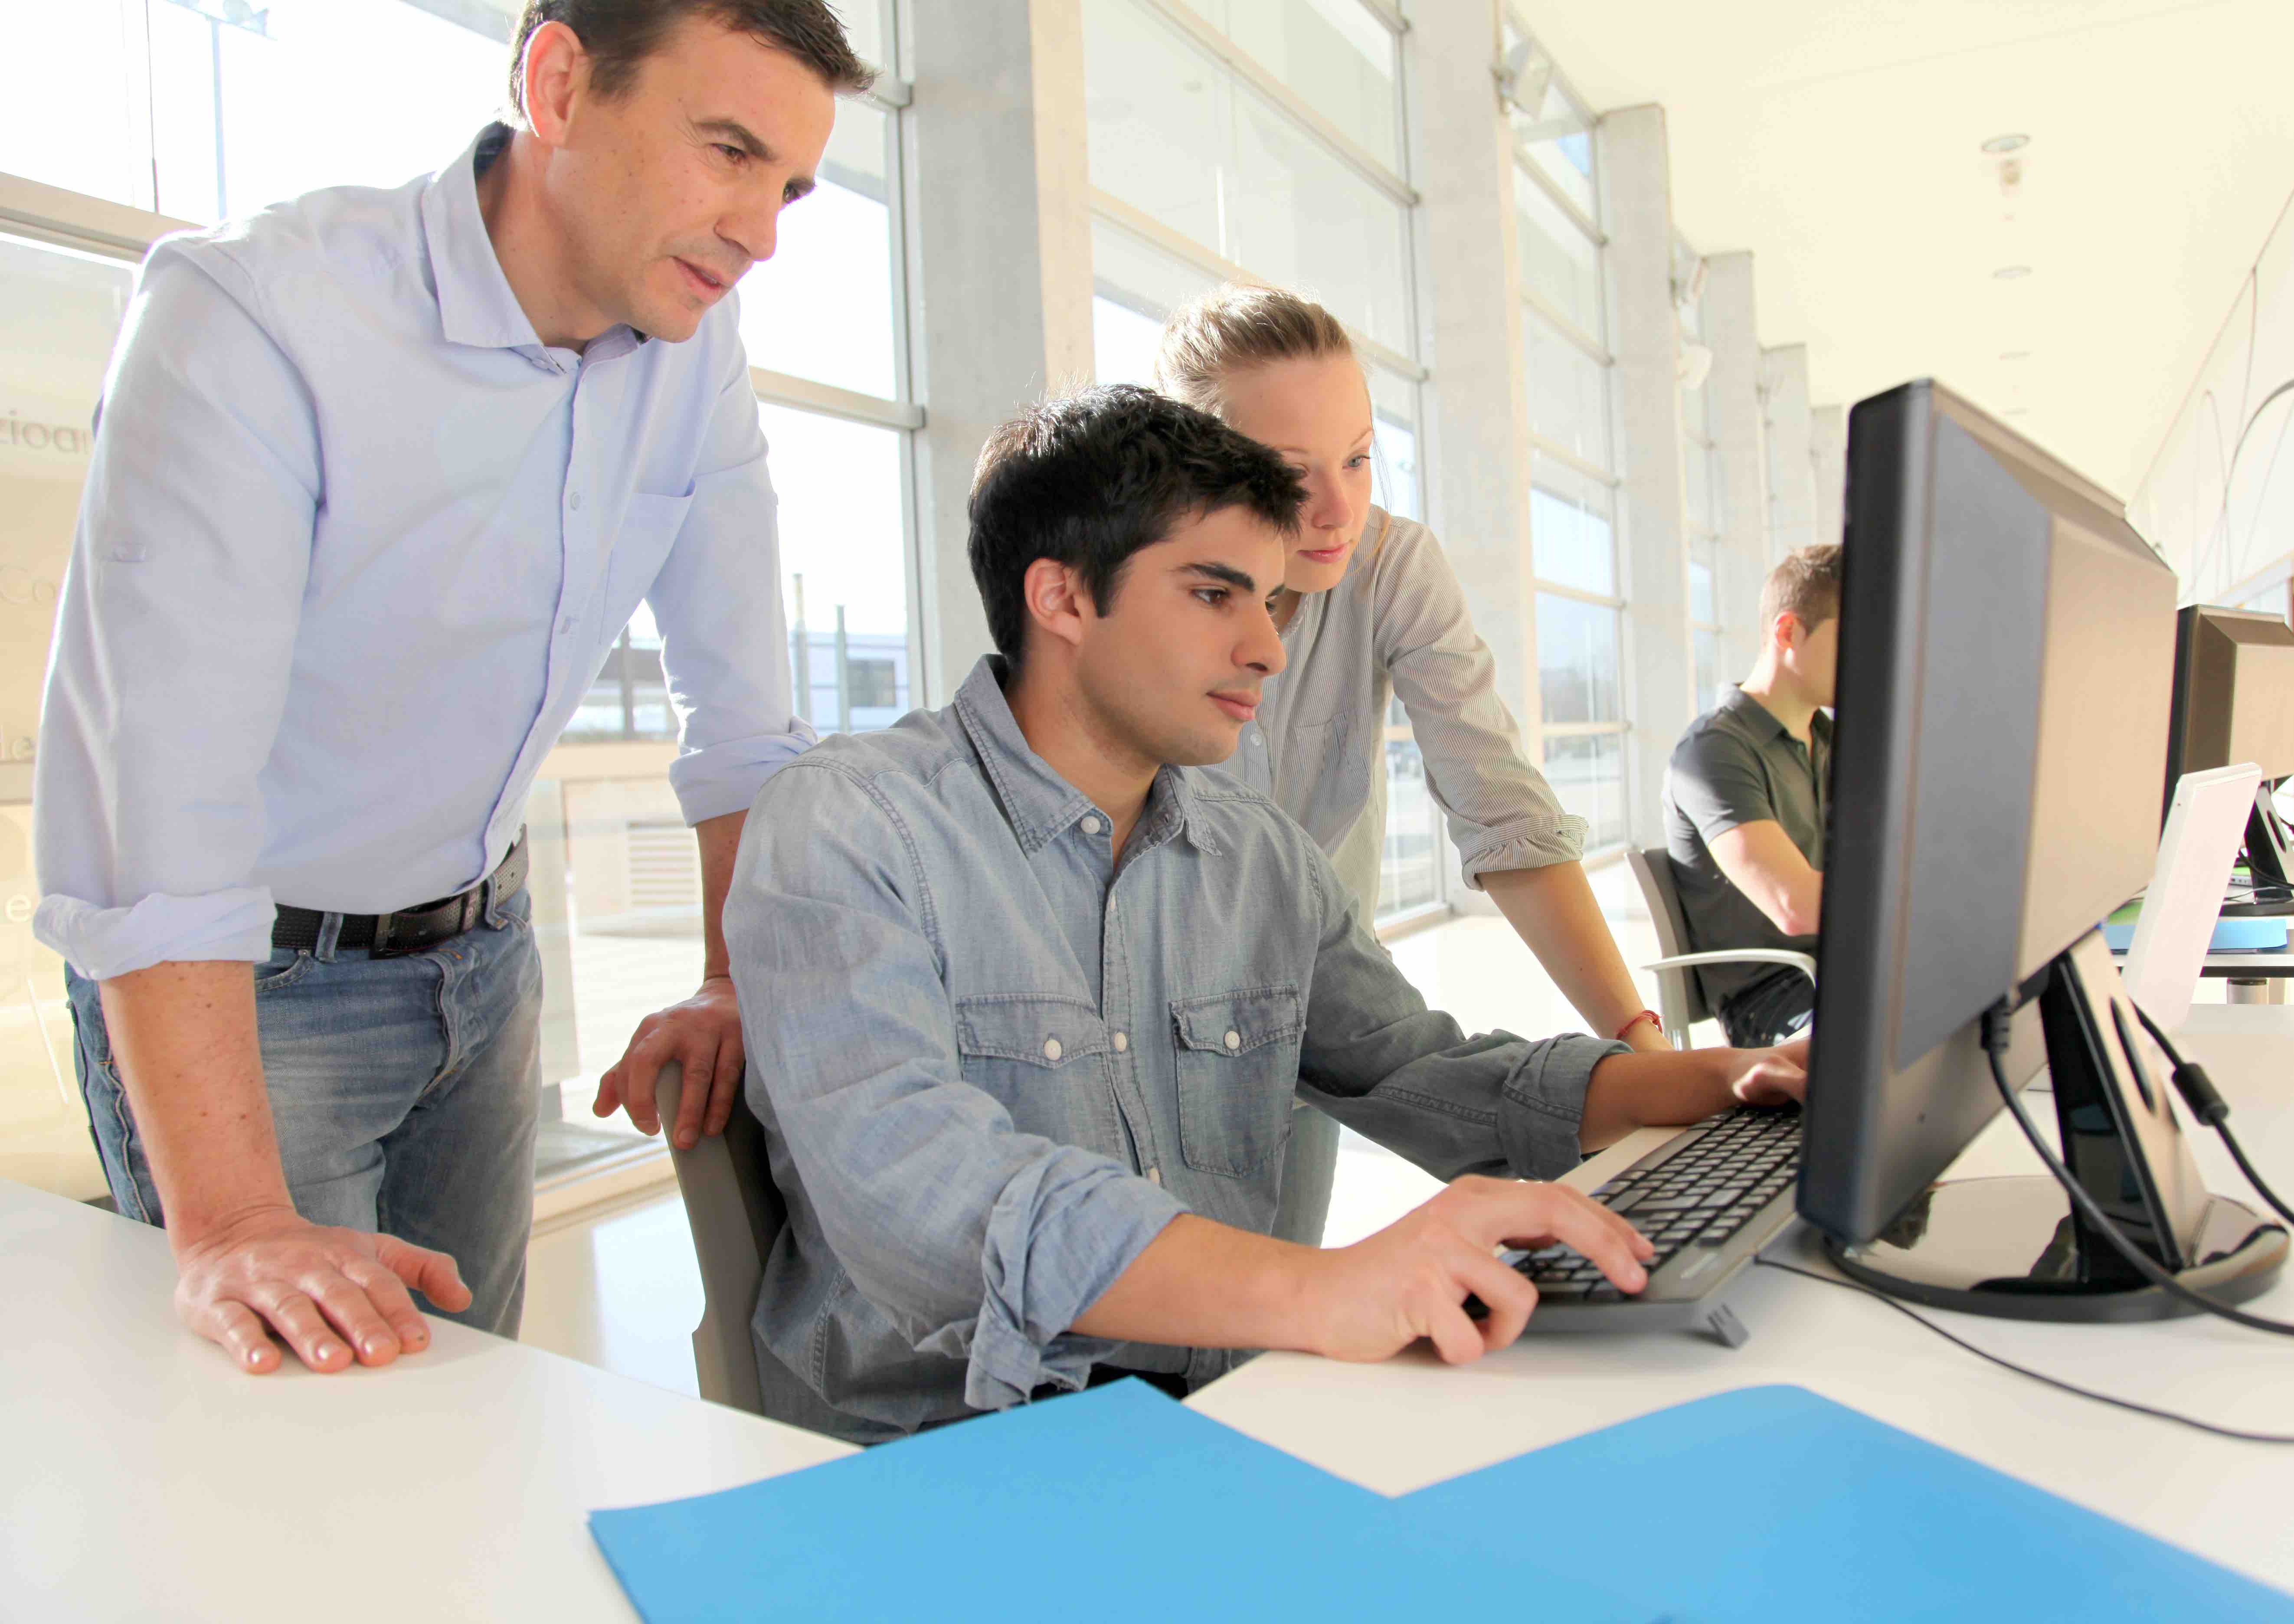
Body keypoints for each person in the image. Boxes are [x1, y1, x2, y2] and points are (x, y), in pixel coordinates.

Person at [33, 0, 869, 1378]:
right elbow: (154, 796)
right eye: (727, 151)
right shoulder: (258, 317)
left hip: (487, 966)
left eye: (788, 187)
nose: (760, 231)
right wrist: (236, 1216)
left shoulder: (691, 347)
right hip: (252, 993)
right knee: (294, 1470)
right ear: (557, 83)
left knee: (470, 1423)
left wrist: (730, 975)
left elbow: (744, 725)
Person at [721, 385, 1806, 1441]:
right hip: (937, 1464)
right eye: (1213, 594)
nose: (1269, 649)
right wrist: (1323, 1287)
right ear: (1060, 598)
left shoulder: (1256, 853)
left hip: (1220, 1426)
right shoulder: (849, 824)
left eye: (1272, 601)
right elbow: (928, 1198)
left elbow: (1416, 1073)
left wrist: (1709, 1080)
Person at [1150, 284, 1671, 1250]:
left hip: (1314, 1003)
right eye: (1285, 472)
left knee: (1275, 1315)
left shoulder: (1388, 565)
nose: (1337, 509)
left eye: (1358, 458)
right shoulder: (1133, 597)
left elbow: (1501, 805)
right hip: (1137, 1020)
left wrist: (1639, 1044)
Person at [1660, 544, 1841, 1048]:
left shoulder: (1830, 741)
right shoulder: (1714, 752)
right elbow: (1795, 905)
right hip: (1775, 1002)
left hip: (1846, 971)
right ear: (1788, 632)